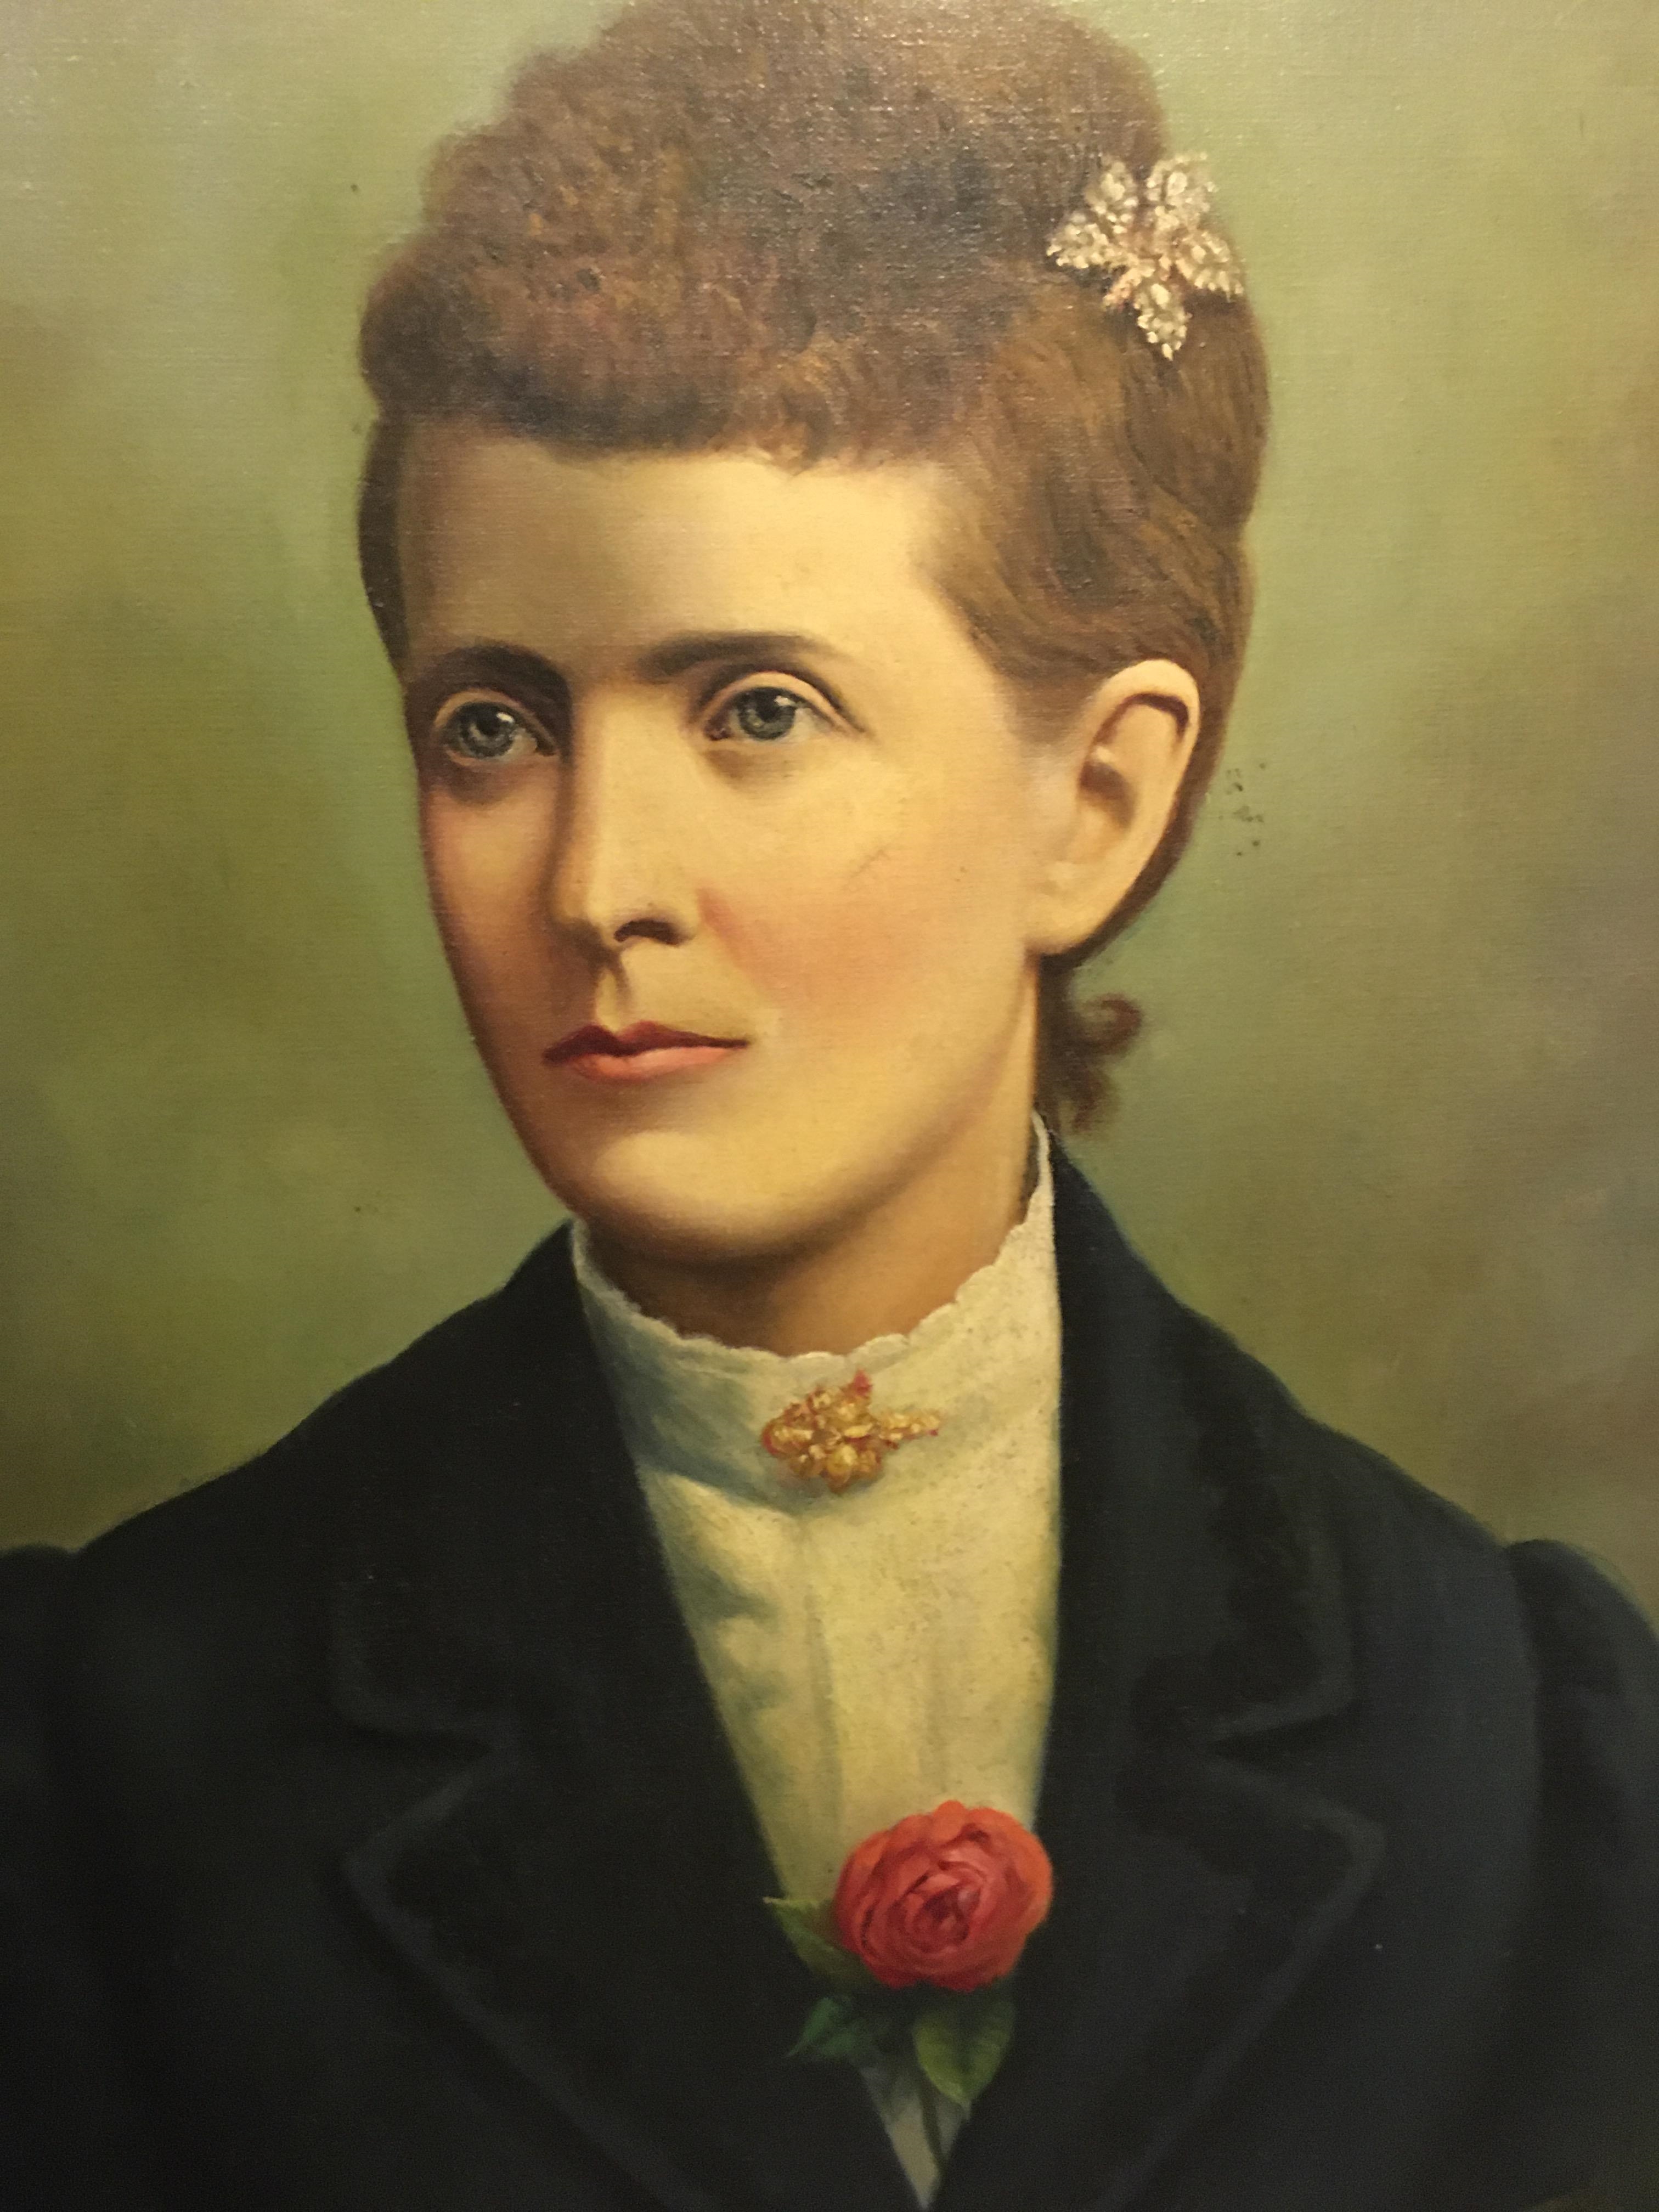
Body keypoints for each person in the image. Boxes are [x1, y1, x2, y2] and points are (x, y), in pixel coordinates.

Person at [2, 0, 1656, 2205]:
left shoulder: (1521, 1742)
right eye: (494, 727)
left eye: (758, 711)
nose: (597, 885)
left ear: (1097, 801)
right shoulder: (117, 1733)